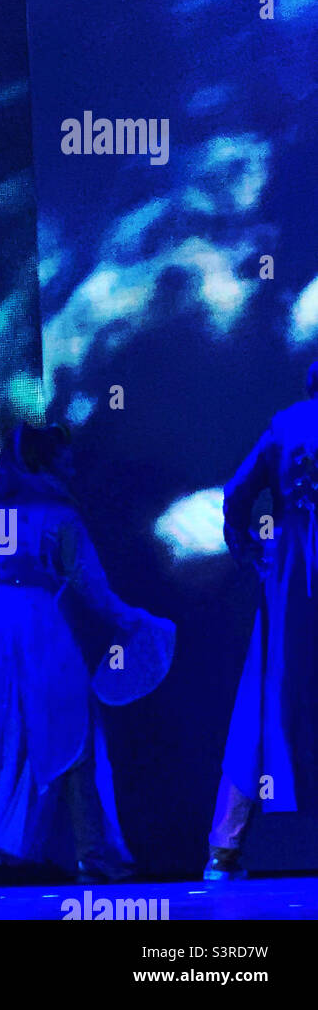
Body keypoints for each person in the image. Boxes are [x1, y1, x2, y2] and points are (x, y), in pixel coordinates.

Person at [0, 423, 175, 881]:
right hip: (42, 626)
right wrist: (131, 620)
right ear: (46, 462)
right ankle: (94, 855)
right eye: (64, 457)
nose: (72, 465)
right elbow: (91, 589)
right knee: (72, 734)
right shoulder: (60, 518)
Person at [205, 361, 318, 879]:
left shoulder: (285, 424)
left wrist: (251, 553)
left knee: (262, 702)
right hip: (290, 574)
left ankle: (224, 850)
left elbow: (235, 495)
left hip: (290, 576)